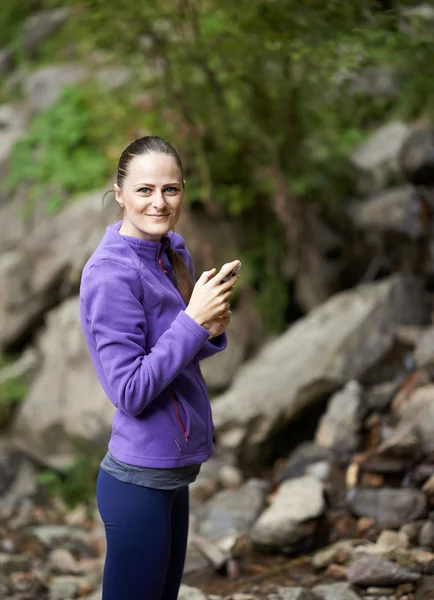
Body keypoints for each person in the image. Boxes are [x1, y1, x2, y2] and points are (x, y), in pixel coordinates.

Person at [79, 135, 240, 600]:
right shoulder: (110, 273)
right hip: (137, 480)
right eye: (145, 190)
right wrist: (192, 322)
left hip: (173, 472)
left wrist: (208, 329)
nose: (159, 202)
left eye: (170, 189)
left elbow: (176, 354)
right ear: (120, 192)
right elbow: (129, 390)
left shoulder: (172, 250)